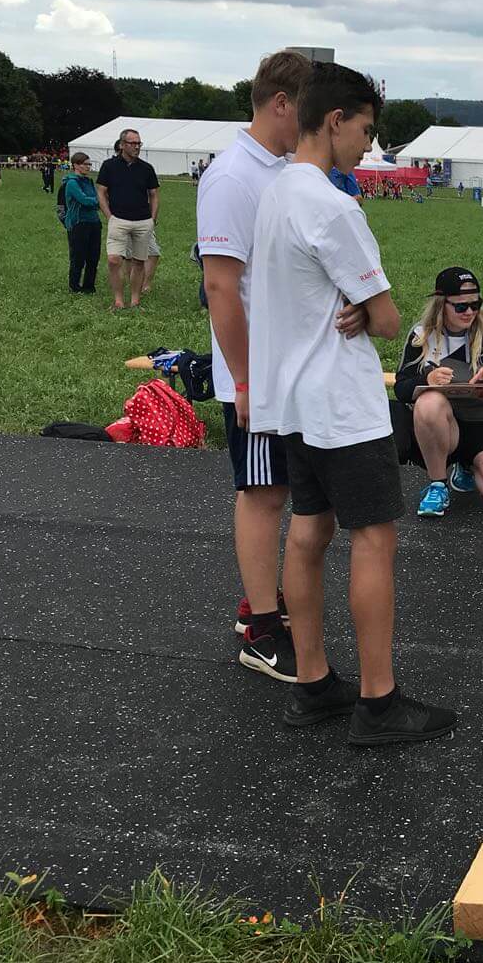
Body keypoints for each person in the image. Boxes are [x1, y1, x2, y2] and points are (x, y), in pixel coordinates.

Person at [248, 62, 455, 745]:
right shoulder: (334, 206)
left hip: (292, 402)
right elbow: (391, 319)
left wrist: (358, 309)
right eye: (365, 130)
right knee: (374, 537)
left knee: (309, 530)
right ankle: (378, 701)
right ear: (334, 120)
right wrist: (369, 314)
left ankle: (312, 683)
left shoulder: (276, 192)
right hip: (340, 402)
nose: (368, 146)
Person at [197, 50, 313, 682]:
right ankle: (262, 629)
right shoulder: (232, 177)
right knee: (262, 493)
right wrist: (243, 379)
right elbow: (221, 287)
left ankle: (265, 606)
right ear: (281, 103)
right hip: (257, 375)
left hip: (291, 369)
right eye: (308, 110)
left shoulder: (286, 169)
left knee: (284, 489)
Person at [395, 267, 483, 519]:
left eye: (476, 305)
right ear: (441, 305)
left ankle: (469, 465)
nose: (470, 312)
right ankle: (438, 483)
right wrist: (427, 379)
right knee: (429, 402)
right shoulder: (421, 335)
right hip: (443, 426)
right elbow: (401, 388)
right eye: (461, 306)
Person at [96, 129, 159, 309]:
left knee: (139, 262)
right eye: (133, 143)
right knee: (114, 260)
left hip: (142, 221)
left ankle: (135, 300)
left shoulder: (146, 168)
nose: (136, 147)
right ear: (122, 145)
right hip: (118, 220)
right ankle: (118, 300)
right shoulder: (109, 166)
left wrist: (152, 219)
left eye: (139, 143)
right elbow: (101, 192)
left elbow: (154, 194)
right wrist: (109, 216)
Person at [62, 152, 102, 293]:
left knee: (93, 256)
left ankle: (89, 286)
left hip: (94, 222)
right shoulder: (72, 183)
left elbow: (95, 198)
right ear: (76, 165)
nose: (88, 167)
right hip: (79, 223)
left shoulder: (89, 181)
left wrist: (96, 202)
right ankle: (74, 286)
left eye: (89, 164)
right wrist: (99, 202)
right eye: (85, 164)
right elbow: (84, 200)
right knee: (78, 257)